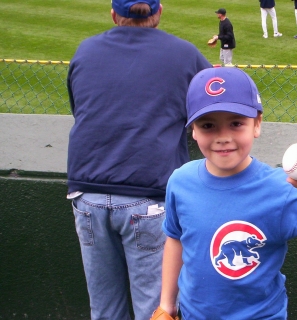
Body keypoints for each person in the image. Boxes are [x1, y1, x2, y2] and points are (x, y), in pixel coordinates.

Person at [156, 67, 297, 319]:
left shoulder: (282, 189)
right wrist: (167, 304)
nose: (223, 137)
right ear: (194, 130)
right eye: (208, 125)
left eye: (236, 123)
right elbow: (175, 239)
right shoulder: (181, 181)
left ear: (257, 124)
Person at [66, 0, 211, 319]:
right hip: (149, 199)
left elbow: (82, 110)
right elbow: (214, 108)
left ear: (114, 14)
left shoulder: (86, 50)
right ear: (158, 13)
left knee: (104, 310)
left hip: (86, 197)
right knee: (155, 310)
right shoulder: (184, 54)